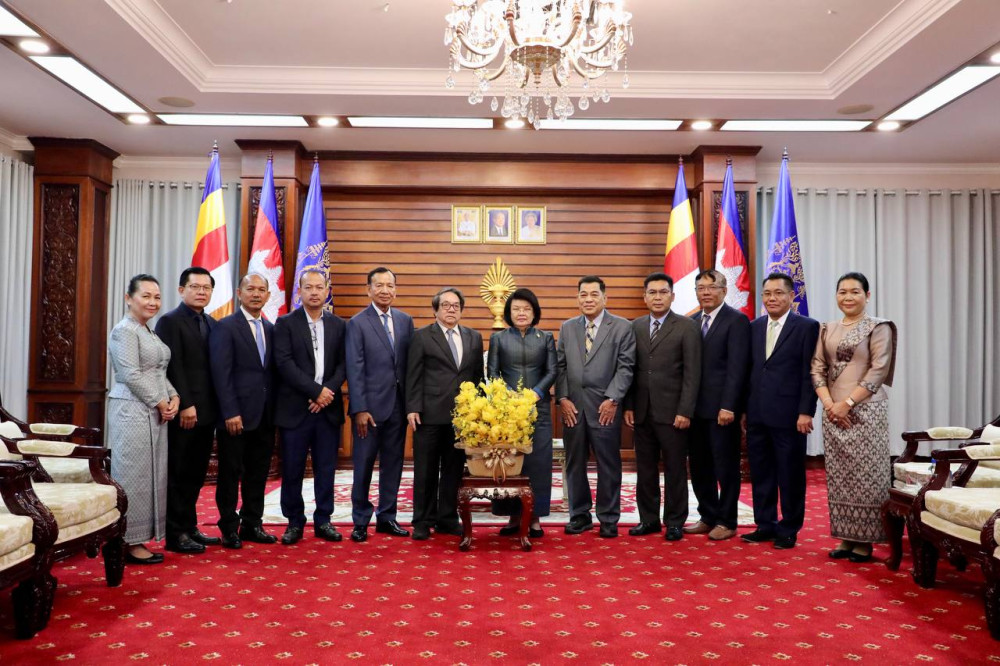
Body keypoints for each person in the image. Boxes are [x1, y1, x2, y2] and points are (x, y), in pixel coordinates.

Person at [811, 272, 897, 563]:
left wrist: (847, 403)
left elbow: (878, 370)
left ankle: (865, 540)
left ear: (867, 295)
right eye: (842, 292)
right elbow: (817, 368)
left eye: (855, 292)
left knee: (867, 476)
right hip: (833, 411)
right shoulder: (827, 328)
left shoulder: (879, 327)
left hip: (866, 410)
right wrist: (829, 404)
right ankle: (846, 537)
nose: (848, 297)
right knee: (840, 477)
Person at [743, 273, 820, 550]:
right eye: (767, 293)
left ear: (791, 296)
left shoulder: (807, 326)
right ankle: (765, 524)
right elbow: (749, 371)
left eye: (778, 293)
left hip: (790, 415)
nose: (772, 298)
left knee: (790, 474)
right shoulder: (754, 326)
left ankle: (789, 528)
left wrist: (806, 411)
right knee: (761, 472)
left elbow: (810, 372)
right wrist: (744, 410)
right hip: (757, 413)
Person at [556, 275, 636, 538]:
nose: (588, 299)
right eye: (583, 294)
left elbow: (626, 367)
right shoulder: (567, 327)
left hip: (605, 408)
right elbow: (560, 366)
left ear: (605, 297)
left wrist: (613, 399)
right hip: (573, 409)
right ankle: (580, 516)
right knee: (574, 464)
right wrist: (563, 398)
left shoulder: (622, 327)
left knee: (608, 464)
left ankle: (609, 517)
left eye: (594, 294)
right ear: (577, 298)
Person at [624, 272, 701, 541]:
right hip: (642, 411)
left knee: (675, 470)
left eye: (663, 292)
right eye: (652, 292)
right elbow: (630, 370)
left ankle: (675, 522)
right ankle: (648, 520)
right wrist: (629, 405)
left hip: (674, 413)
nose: (658, 297)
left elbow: (692, 373)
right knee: (645, 470)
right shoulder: (635, 326)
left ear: (672, 296)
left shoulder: (687, 326)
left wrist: (685, 410)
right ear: (644, 297)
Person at [107, 274, 178, 565]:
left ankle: (140, 538)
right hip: (131, 411)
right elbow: (131, 375)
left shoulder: (148, 331)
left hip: (154, 411)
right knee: (132, 476)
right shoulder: (124, 331)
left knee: (151, 476)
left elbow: (159, 372)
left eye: (157, 297)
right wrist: (161, 402)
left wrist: (174, 397)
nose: (152, 302)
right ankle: (126, 541)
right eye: (146, 296)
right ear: (129, 298)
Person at [273, 269, 347, 545]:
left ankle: (324, 520)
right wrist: (316, 392)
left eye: (319, 287)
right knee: (292, 468)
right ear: (299, 291)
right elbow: (284, 363)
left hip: (328, 410)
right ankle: (294, 522)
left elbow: (343, 364)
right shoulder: (285, 323)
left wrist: (326, 393)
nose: (314, 292)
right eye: (308, 287)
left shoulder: (339, 325)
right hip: (296, 409)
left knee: (325, 469)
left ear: (327, 291)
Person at [406, 287, 484, 541]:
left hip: (461, 418)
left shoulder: (474, 337)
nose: (451, 309)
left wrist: (479, 412)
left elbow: (478, 377)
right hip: (428, 415)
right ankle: (422, 521)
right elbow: (413, 374)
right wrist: (412, 407)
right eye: (446, 305)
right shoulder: (422, 336)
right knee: (425, 470)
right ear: (436, 310)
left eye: (456, 306)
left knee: (453, 470)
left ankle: (447, 519)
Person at [154, 267, 222, 555]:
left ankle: (190, 526)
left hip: (208, 412)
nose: (201, 292)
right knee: (179, 473)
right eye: (195, 287)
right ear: (182, 290)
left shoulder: (212, 323)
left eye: (206, 288)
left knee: (196, 473)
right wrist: (186, 404)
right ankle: (175, 533)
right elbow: (172, 366)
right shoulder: (169, 322)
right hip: (184, 411)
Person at [209, 273, 278, 549]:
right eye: (251, 289)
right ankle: (229, 527)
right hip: (235, 416)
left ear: (268, 296)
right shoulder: (225, 327)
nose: (256, 294)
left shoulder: (271, 328)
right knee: (230, 473)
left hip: (265, 416)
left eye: (262, 290)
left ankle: (252, 523)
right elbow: (221, 373)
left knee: (258, 473)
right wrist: (229, 411)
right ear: (239, 293)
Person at [345, 267, 413, 542]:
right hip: (369, 410)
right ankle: (360, 520)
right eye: (379, 285)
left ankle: (387, 517)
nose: (385, 290)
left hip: (398, 406)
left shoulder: (405, 321)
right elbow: (355, 368)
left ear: (396, 289)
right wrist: (359, 408)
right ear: (369, 290)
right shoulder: (358, 323)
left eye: (390, 285)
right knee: (363, 465)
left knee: (393, 465)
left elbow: (408, 366)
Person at [487, 288, 557, 538]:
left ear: (534, 312)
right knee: (510, 463)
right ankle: (513, 516)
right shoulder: (498, 338)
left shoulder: (546, 337)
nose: (521, 313)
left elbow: (552, 371)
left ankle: (534, 517)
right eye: (516, 309)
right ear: (509, 312)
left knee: (538, 464)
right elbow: (492, 372)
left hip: (538, 409)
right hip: (507, 412)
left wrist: (535, 394)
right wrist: (511, 397)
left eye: (527, 309)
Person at [686, 269, 750, 541]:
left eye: (712, 287)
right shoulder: (691, 321)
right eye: (701, 288)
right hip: (694, 410)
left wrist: (729, 406)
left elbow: (737, 368)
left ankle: (727, 520)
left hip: (722, 411)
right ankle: (708, 515)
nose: (706, 292)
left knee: (725, 467)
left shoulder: (736, 320)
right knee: (699, 467)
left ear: (724, 290)